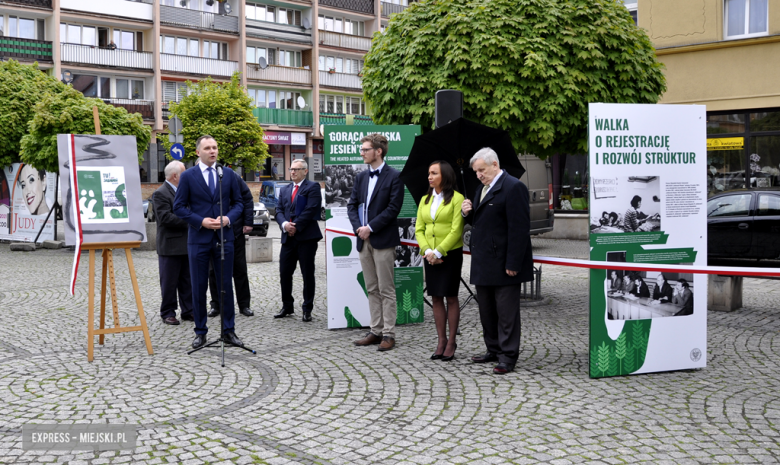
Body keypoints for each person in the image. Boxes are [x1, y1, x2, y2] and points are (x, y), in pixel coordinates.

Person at [462, 148, 533, 374]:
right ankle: (493, 349)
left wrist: (513, 262)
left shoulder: (514, 187)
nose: (479, 175)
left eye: (482, 170)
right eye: (476, 172)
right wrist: (467, 213)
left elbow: (519, 228)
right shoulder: (481, 189)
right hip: (483, 261)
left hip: (504, 263)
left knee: (506, 313)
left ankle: (508, 356)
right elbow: (482, 220)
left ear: (495, 165)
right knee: (487, 311)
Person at [173, 135, 245, 350]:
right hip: (199, 239)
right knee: (198, 286)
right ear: (198, 152)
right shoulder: (188, 176)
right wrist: (200, 221)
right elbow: (179, 207)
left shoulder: (228, 174)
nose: (212, 151)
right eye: (207, 148)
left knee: (225, 286)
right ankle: (200, 332)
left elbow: (239, 202)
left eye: (215, 147)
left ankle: (229, 331)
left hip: (224, 238)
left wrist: (229, 218)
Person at [348, 133, 404, 351]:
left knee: (386, 288)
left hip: (382, 239)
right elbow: (352, 205)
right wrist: (358, 229)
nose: (361, 153)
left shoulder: (395, 176)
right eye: (361, 149)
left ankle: (389, 333)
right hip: (363, 240)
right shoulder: (361, 177)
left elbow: (393, 209)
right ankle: (375, 330)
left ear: (378, 151)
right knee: (371, 288)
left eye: (365, 149)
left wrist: (370, 228)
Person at [415, 160, 464, 361]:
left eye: (434, 173)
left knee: (450, 297)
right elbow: (419, 228)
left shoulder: (457, 199)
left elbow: (456, 230)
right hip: (429, 255)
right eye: (429, 173)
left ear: (445, 175)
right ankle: (441, 340)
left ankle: (452, 341)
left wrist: (439, 251)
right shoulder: (424, 199)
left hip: (449, 255)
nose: (430, 177)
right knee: (436, 297)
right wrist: (427, 251)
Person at [274, 159, 323, 322]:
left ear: (305, 171)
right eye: (291, 169)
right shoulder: (285, 189)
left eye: (296, 169)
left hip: (306, 237)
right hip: (287, 238)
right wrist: (285, 224)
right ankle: (287, 306)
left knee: (307, 273)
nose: (293, 172)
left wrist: (296, 226)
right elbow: (279, 210)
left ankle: (307, 308)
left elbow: (311, 209)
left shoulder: (313, 187)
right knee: (284, 273)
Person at [207, 169, 255, 318]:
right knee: (213, 271)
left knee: (239, 268)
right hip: (211, 232)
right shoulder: (198, 178)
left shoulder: (231, 175)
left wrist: (248, 222)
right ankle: (216, 305)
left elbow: (246, 199)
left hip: (234, 229)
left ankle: (244, 305)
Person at [153, 161, 193, 325]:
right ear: (176, 176)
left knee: (187, 281)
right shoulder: (160, 193)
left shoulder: (185, 192)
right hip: (169, 246)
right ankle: (168, 312)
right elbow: (165, 218)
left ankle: (188, 310)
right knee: (169, 282)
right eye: (184, 173)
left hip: (186, 243)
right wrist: (191, 219)